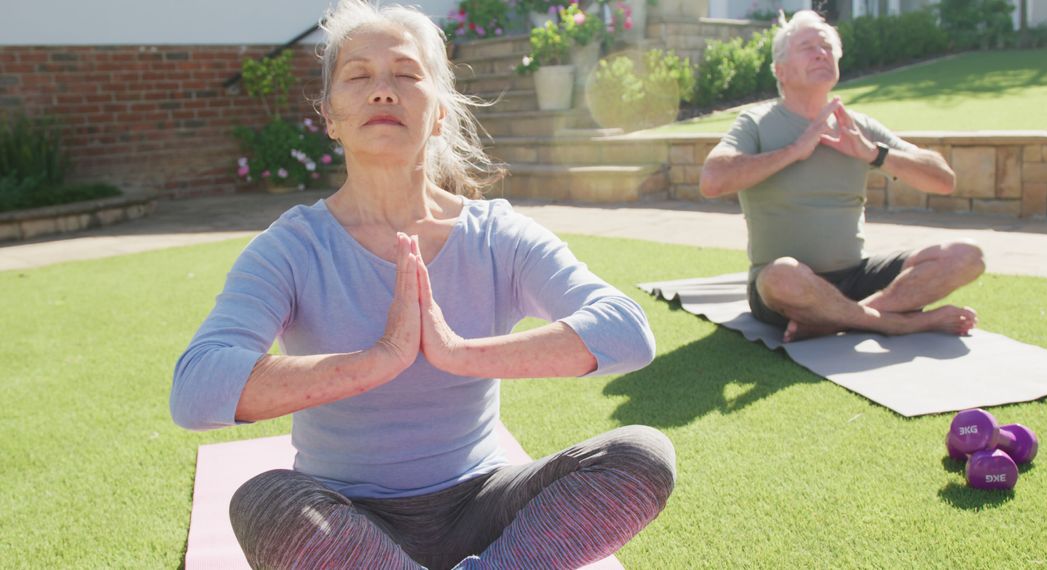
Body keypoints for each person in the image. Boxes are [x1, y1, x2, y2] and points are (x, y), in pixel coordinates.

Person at [170, 2, 675, 568]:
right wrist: (379, 360)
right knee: (263, 499)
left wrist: (456, 353)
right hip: (346, 522)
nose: (383, 91)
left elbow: (628, 332)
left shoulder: (496, 236)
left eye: (407, 75)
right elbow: (195, 388)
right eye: (358, 76)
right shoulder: (292, 247)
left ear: (438, 111)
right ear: (330, 115)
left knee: (640, 454)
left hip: (482, 508)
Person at [699, 10, 985, 343]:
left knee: (967, 255)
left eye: (827, 47)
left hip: (856, 276)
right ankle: (897, 323)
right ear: (781, 71)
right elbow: (712, 179)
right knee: (781, 277)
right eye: (807, 47)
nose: (821, 53)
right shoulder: (757, 122)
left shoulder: (858, 126)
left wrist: (874, 153)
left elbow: (943, 179)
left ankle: (840, 318)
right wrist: (795, 150)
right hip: (788, 284)